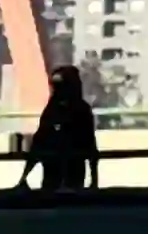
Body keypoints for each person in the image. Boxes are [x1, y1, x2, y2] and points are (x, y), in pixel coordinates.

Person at [18, 62, 101, 199]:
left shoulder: (78, 110)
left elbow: (89, 144)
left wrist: (94, 180)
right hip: (55, 175)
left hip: (70, 174)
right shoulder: (54, 110)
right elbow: (39, 141)